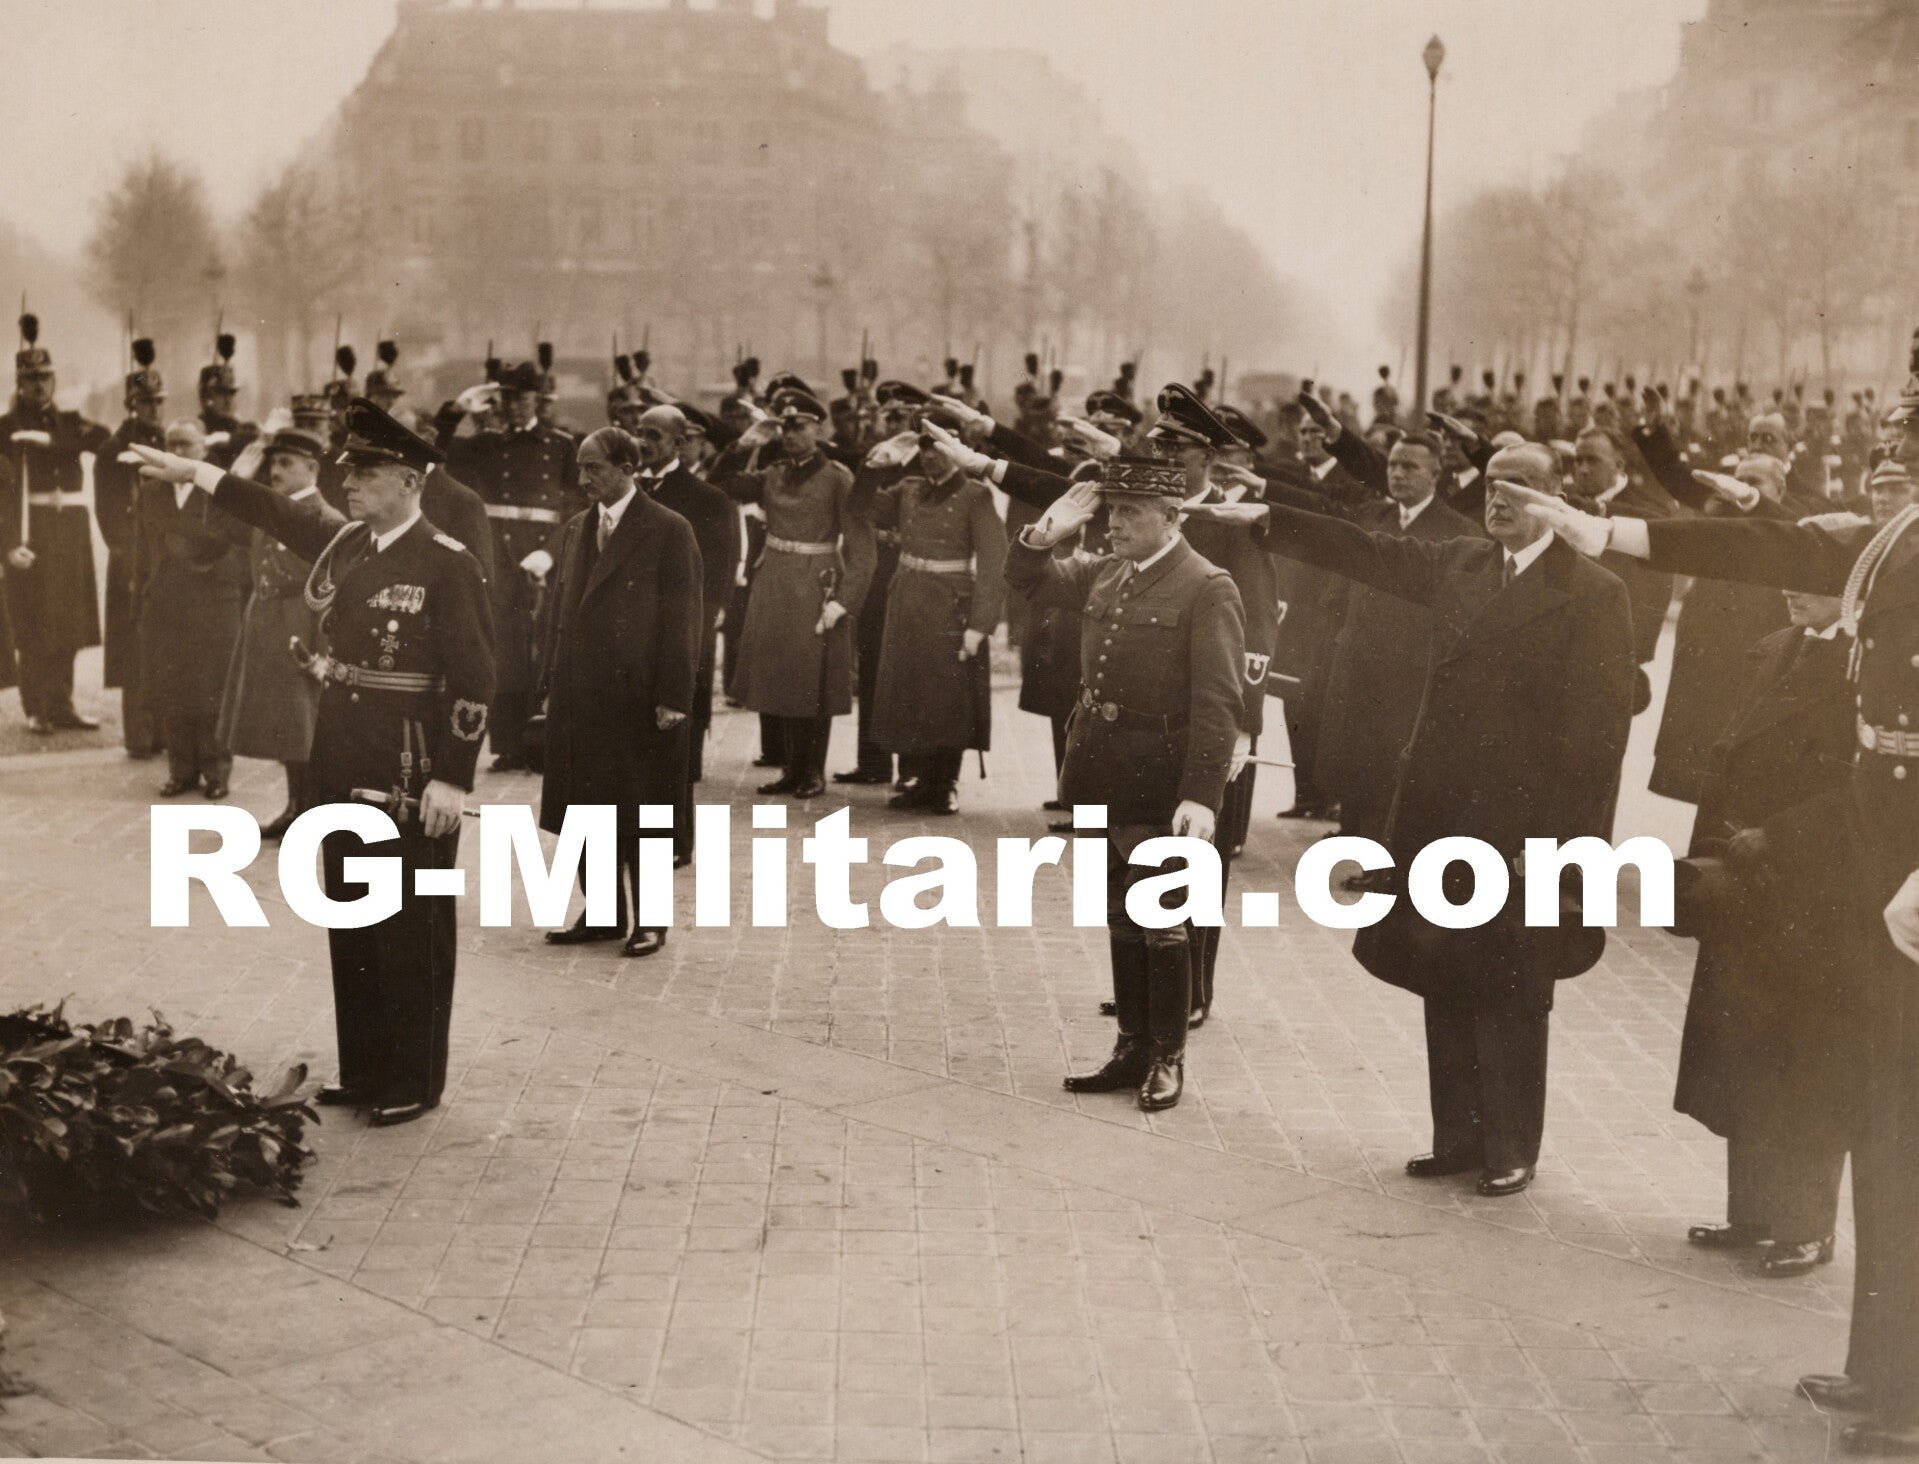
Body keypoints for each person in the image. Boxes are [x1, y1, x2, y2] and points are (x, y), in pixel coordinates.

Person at [1502, 410, 1919, 1452]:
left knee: (1905, 1127)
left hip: (1907, 858)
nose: (1899, 462)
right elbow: (1771, 544)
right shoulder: (1894, 537)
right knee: (1883, 1127)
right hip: (1878, 843)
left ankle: (1906, 1393)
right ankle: (1884, 1370)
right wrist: (1611, 532)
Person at [1203, 442, 1635, 1197]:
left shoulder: (1593, 591)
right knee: (1447, 970)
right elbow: (1367, 551)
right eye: (1494, 484)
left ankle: (1511, 1146)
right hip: (1443, 811)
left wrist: (1561, 845)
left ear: (1557, 498)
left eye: (1522, 486)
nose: (1500, 497)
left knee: (1513, 985)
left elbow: (1599, 738)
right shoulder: (1461, 563)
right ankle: (1457, 1137)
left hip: (1525, 827)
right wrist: (1272, 519)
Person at [130, 398, 496, 1129]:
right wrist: (198, 471)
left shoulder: (447, 562)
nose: (348, 484)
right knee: (351, 914)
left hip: (408, 764)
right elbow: (273, 510)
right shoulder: (351, 545)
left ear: (408, 481)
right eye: (348, 473)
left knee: (409, 925)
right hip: (342, 750)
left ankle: (414, 1077)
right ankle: (365, 1066)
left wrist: (453, 776)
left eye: (365, 474)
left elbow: (476, 677)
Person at [1004, 455, 1246, 1113]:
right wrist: (1043, 534)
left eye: (1130, 512)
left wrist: (1201, 794)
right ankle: (1131, 1046)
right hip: (1099, 768)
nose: (1114, 523)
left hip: (1160, 778)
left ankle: (1167, 1057)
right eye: (1111, 510)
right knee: (1118, 911)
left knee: (1161, 922)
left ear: (1171, 517)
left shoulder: (1206, 585)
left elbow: (1218, 699)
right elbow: (1028, 581)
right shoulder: (1105, 571)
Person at [1672, 589, 1862, 1279]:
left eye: (1809, 578)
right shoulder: (1780, 646)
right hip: (1742, 874)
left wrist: (1780, 834)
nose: (1790, 589)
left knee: (1806, 1060)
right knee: (1742, 1047)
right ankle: (1751, 1213)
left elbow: (1872, 785)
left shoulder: (1867, 660)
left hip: (1818, 890)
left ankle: (1806, 1227)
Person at [539, 427, 703, 959]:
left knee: (645, 811)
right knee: (585, 808)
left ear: (628, 469)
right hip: (580, 695)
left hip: (640, 698)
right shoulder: (576, 529)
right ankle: (604, 912)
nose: (584, 478)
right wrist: (550, 686)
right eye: (580, 468)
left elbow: (684, 620)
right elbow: (559, 615)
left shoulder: (668, 529)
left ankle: (651, 921)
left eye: (595, 468)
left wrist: (674, 696)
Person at [708, 386, 875, 799]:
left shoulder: (837, 478)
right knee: (781, 676)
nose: (790, 434)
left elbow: (862, 547)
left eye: (799, 426)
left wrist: (845, 601)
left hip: (818, 585)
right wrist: (745, 443)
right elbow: (719, 485)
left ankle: (812, 771)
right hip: (775, 583)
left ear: (818, 429)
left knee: (813, 681)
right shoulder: (773, 474)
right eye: (784, 427)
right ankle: (790, 768)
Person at [438, 361, 580, 771]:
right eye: (508, 398)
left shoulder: (560, 445)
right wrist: (455, 411)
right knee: (502, 649)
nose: (515, 405)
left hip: (539, 556)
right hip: (494, 554)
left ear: (537, 399)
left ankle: (539, 743)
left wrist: (551, 552)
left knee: (542, 647)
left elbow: (576, 508)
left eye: (522, 397)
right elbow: (437, 454)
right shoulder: (485, 444)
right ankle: (507, 744)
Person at [868, 416, 1008, 814]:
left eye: (941, 446)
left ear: (958, 449)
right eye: (925, 447)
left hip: (950, 604)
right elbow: (862, 508)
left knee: (947, 695)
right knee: (907, 688)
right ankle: (913, 777)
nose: (931, 456)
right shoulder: (908, 489)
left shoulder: (975, 496)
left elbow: (995, 562)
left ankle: (945, 783)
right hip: (907, 600)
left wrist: (980, 625)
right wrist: (875, 466)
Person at [216, 428, 329, 839]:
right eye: (272, 462)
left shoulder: (323, 517)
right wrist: (235, 480)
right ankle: (297, 805)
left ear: (311, 468)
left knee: (304, 724)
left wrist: (324, 650)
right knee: (287, 726)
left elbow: (331, 590)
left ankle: (312, 811)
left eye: (285, 463)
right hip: (268, 619)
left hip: (302, 624)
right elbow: (220, 526)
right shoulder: (271, 509)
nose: (275, 471)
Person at [0, 313, 109, 732]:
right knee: (34, 623)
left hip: (70, 529)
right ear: (18, 383)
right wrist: (8, 543)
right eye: (31, 380)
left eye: (45, 378)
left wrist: (52, 442)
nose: (39, 386)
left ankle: (62, 703)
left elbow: (102, 440)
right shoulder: (6, 428)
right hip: (32, 529)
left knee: (68, 621)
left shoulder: (68, 422)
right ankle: (36, 708)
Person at [135, 419, 250, 800]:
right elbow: (142, 550)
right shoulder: (151, 491)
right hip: (167, 603)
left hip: (214, 601)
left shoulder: (220, 489)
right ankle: (181, 769)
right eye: (171, 444)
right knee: (174, 689)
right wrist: (144, 596)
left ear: (203, 448)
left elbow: (232, 544)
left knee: (213, 690)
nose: (177, 452)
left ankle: (216, 772)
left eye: (186, 444)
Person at [632, 405, 737, 787]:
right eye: (640, 433)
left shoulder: (708, 499)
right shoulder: (626, 490)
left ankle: (683, 776)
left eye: (654, 435)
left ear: (679, 443)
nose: (643, 442)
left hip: (682, 620)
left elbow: (718, 568)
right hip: (634, 619)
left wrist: (703, 623)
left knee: (684, 699)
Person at [95, 339, 169, 758]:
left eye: (158, 401)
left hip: (166, 556)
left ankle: (164, 731)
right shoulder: (112, 451)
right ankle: (139, 735)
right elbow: (108, 514)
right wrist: (126, 557)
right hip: (130, 559)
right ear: (131, 405)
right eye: (147, 402)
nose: (155, 409)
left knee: (164, 641)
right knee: (133, 646)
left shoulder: (169, 445)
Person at [197, 333, 258, 469]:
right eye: (221, 394)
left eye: (231, 394)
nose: (228, 401)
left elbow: (256, 440)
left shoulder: (244, 429)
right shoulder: (197, 428)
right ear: (206, 397)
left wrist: (228, 439)